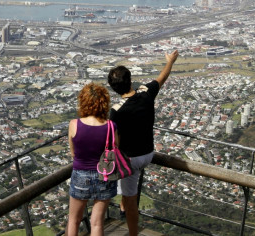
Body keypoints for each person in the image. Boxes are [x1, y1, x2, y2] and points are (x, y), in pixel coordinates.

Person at [108, 49, 179, 236]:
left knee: (131, 200)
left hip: (130, 160)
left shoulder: (116, 110)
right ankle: (123, 206)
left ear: (113, 88)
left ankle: (132, 231)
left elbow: (115, 141)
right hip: (148, 153)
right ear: (130, 80)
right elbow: (161, 78)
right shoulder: (146, 94)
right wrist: (170, 61)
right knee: (126, 190)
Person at [66, 82, 118, 236]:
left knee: (74, 220)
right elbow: (115, 150)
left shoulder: (74, 124)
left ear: (83, 101)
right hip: (105, 175)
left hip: (81, 174)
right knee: (97, 223)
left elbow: (73, 153)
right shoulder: (110, 126)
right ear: (104, 103)